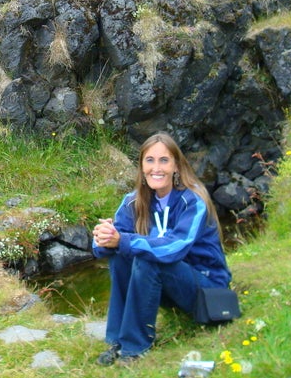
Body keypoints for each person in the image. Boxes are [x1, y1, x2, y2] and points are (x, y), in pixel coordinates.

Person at [92, 132, 231, 365]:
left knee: (147, 257)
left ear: (176, 166)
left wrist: (122, 240)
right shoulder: (133, 201)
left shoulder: (193, 200)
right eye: (150, 160)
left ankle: (134, 347)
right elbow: (109, 243)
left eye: (164, 160)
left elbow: (174, 248)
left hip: (208, 291)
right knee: (120, 257)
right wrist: (103, 238)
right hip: (169, 287)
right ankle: (118, 341)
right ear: (141, 166)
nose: (156, 168)